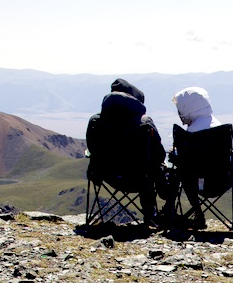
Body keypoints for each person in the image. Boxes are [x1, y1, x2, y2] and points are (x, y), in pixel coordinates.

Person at [85, 78, 165, 226]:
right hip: (140, 179)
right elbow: (159, 154)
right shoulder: (144, 122)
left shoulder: (96, 121)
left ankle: (93, 221)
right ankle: (151, 215)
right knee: (153, 172)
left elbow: (91, 149)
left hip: (107, 175)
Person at [170, 86, 219, 228]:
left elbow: (185, 162)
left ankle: (192, 214)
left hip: (195, 182)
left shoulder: (189, 135)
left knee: (180, 172)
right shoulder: (221, 128)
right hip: (221, 180)